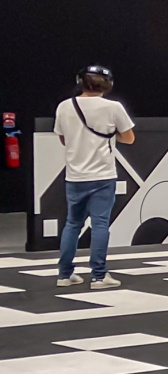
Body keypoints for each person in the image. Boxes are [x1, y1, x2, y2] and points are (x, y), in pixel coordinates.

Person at [54, 65, 135, 289]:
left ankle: (64, 275)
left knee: (72, 224)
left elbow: (63, 139)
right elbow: (129, 138)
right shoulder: (113, 108)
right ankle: (99, 276)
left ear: (80, 82)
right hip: (103, 175)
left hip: (75, 175)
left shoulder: (65, 106)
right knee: (100, 224)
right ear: (108, 84)